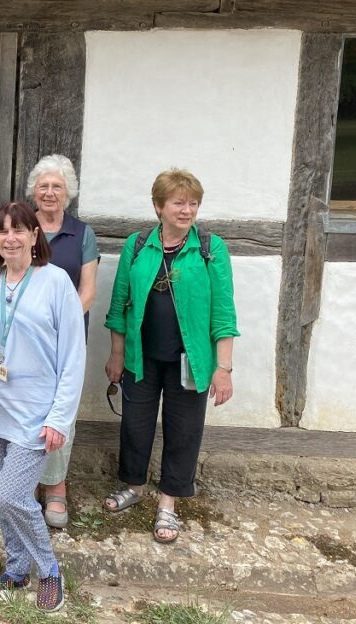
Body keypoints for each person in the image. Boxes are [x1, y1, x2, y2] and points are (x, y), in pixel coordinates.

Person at [0, 202, 85, 612]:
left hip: (36, 413)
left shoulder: (56, 283)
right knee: (4, 495)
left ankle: (49, 570)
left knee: (14, 496)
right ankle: (15, 569)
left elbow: (73, 356)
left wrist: (60, 417)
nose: (10, 238)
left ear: (35, 236)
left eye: (19, 230)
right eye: (2, 231)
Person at [103, 169, 239, 543]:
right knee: (135, 424)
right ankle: (134, 486)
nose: (187, 210)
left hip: (190, 362)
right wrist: (116, 354)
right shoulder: (137, 244)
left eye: (193, 203)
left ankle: (168, 504)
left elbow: (223, 314)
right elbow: (119, 306)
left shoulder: (211, 249)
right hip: (140, 357)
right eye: (179, 203)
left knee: (183, 432)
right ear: (159, 206)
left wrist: (223, 368)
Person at [26, 154, 99, 529]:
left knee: (60, 411)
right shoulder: (22, 226)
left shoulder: (83, 234)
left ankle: (56, 485)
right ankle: (26, 482)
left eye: (57, 186)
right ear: (33, 193)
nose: (50, 193)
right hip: (26, 340)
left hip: (67, 339)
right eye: (43, 187)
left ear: (67, 192)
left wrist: (59, 326)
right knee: (27, 408)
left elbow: (87, 292)